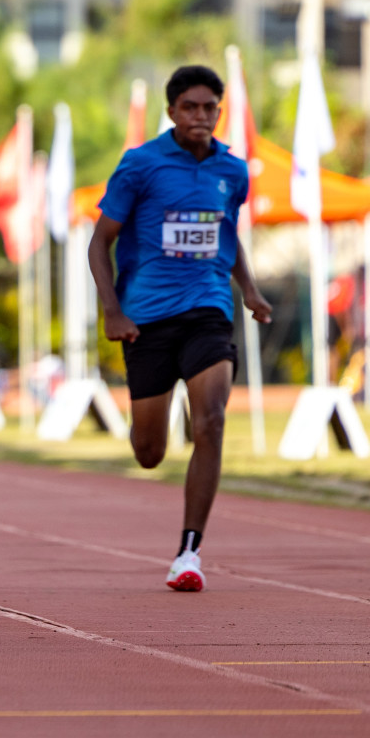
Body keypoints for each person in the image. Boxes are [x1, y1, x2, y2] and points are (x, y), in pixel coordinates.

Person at [88, 65, 272, 592]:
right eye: (189, 107)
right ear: (171, 111)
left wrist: (250, 290)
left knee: (211, 420)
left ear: (219, 111)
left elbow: (226, 234)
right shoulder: (140, 165)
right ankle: (150, 423)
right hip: (145, 320)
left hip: (209, 308)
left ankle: (189, 552)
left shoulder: (232, 171)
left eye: (209, 107)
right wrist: (112, 310)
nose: (200, 116)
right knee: (149, 453)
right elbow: (99, 242)